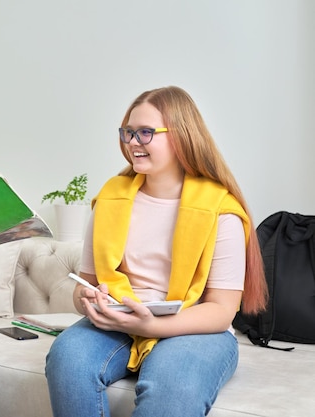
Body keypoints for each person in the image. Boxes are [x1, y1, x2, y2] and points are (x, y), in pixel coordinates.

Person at [45, 86, 268, 417]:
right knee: (67, 359)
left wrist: (153, 328)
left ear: (181, 135)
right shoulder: (109, 199)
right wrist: (88, 301)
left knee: (173, 387)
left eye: (146, 133)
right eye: (129, 132)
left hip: (195, 327)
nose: (133, 142)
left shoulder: (221, 209)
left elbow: (221, 311)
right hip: (120, 321)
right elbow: (87, 283)